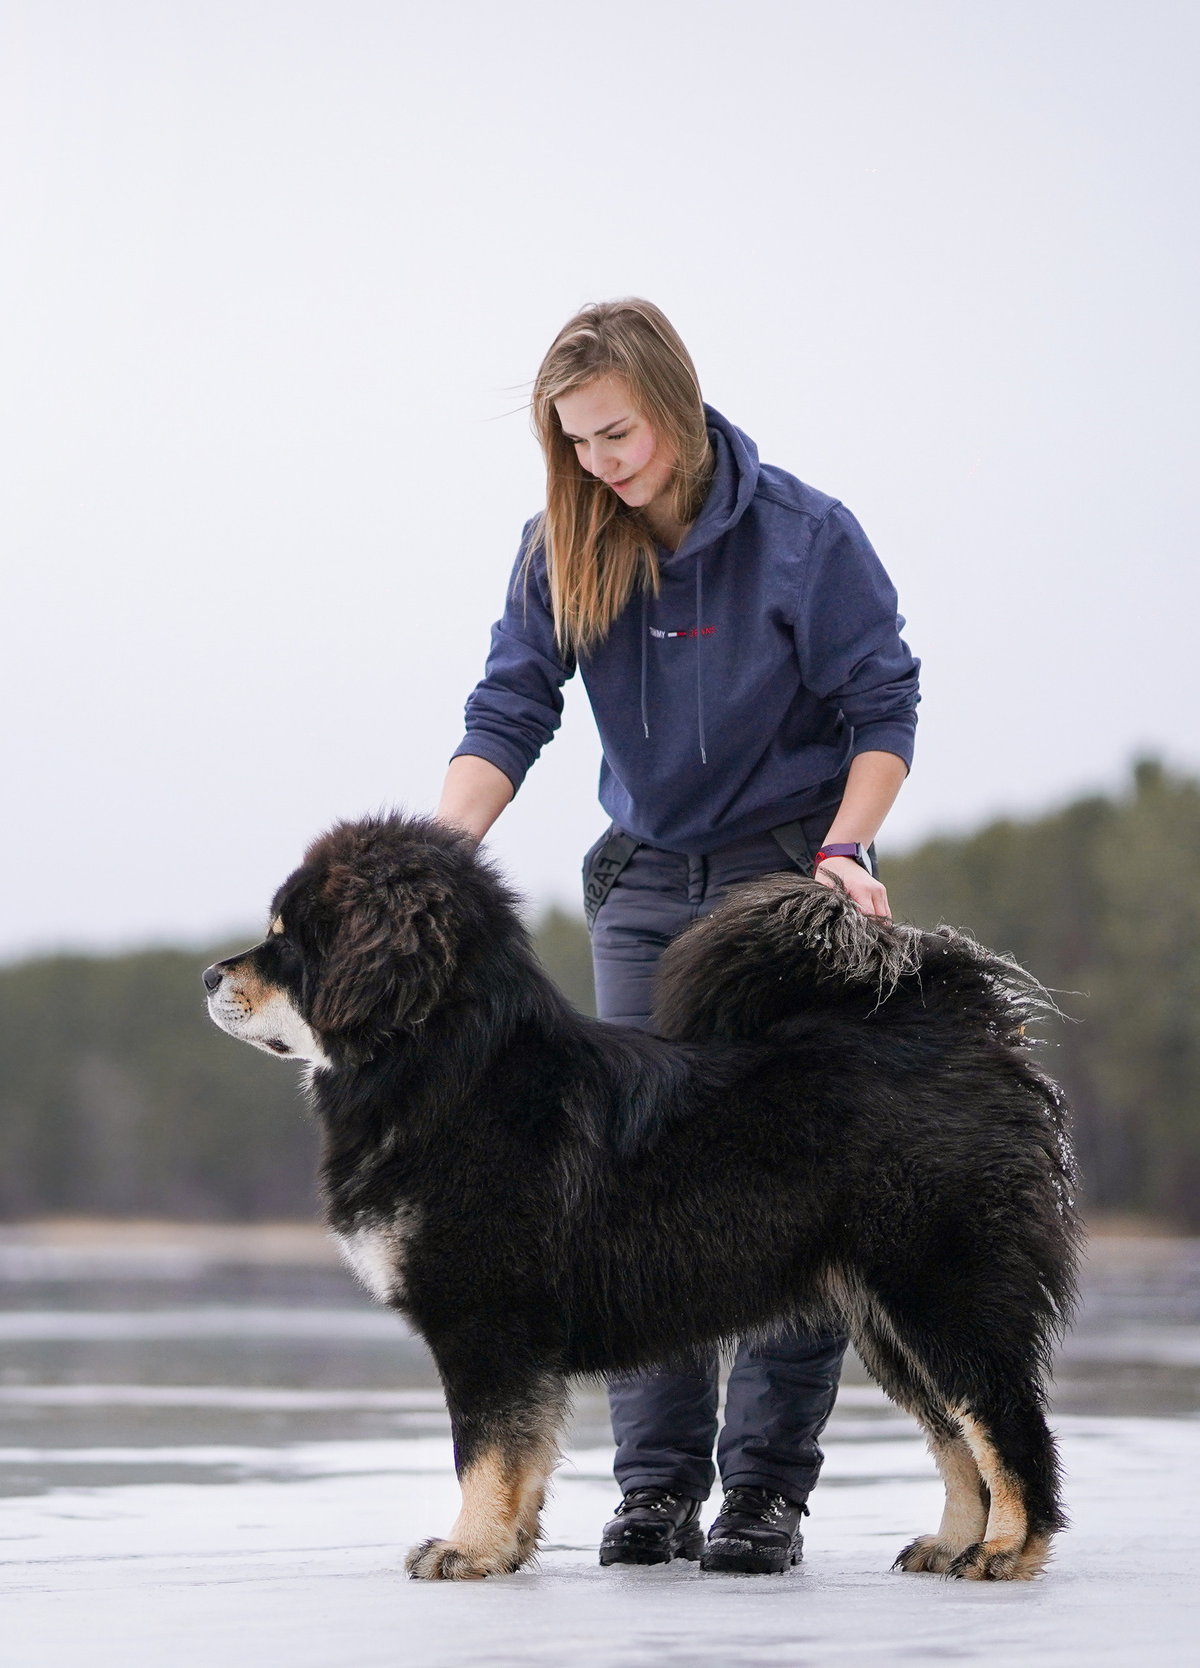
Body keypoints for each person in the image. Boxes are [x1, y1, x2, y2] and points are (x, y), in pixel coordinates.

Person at [434, 298, 919, 1576]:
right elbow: (509, 707)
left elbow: (883, 708)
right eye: (574, 443)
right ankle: (652, 1492)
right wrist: (442, 851)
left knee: (783, 1185)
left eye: (615, 433)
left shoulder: (808, 538)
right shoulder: (562, 548)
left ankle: (764, 1495)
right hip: (645, 888)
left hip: (785, 887)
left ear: (673, 400)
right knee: (632, 1189)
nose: (599, 462)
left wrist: (845, 849)